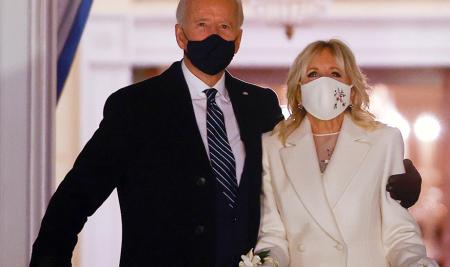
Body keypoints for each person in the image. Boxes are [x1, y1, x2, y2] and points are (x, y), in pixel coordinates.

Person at [30, 1, 422, 266]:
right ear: (181, 35)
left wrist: (398, 175)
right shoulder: (135, 107)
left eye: (224, 26)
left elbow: (310, 167)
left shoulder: (261, 106)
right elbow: (73, 202)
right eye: (202, 25)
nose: (214, 35)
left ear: (238, 37)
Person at [255, 39, 438, 267]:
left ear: (351, 89)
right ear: (299, 90)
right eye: (313, 74)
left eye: (335, 73)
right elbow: (273, 234)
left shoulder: (383, 141)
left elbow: (398, 233)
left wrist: (415, 263)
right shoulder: (274, 146)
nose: (324, 82)